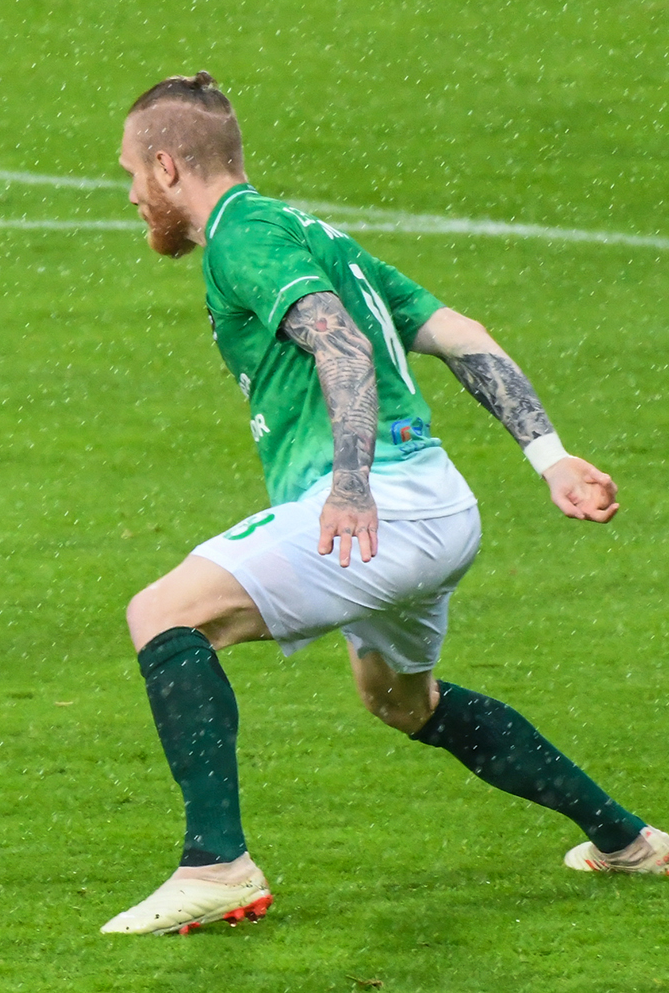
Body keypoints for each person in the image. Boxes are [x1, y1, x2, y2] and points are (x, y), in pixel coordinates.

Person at [103, 72, 665, 935]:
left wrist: (352, 484)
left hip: (380, 507)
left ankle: (216, 864)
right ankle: (627, 841)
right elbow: (460, 334)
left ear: (169, 166)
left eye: (133, 173)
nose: (134, 194)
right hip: (441, 506)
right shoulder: (313, 232)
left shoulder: (241, 237)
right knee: (403, 701)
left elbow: (341, 345)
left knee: (163, 613)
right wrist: (548, 456)